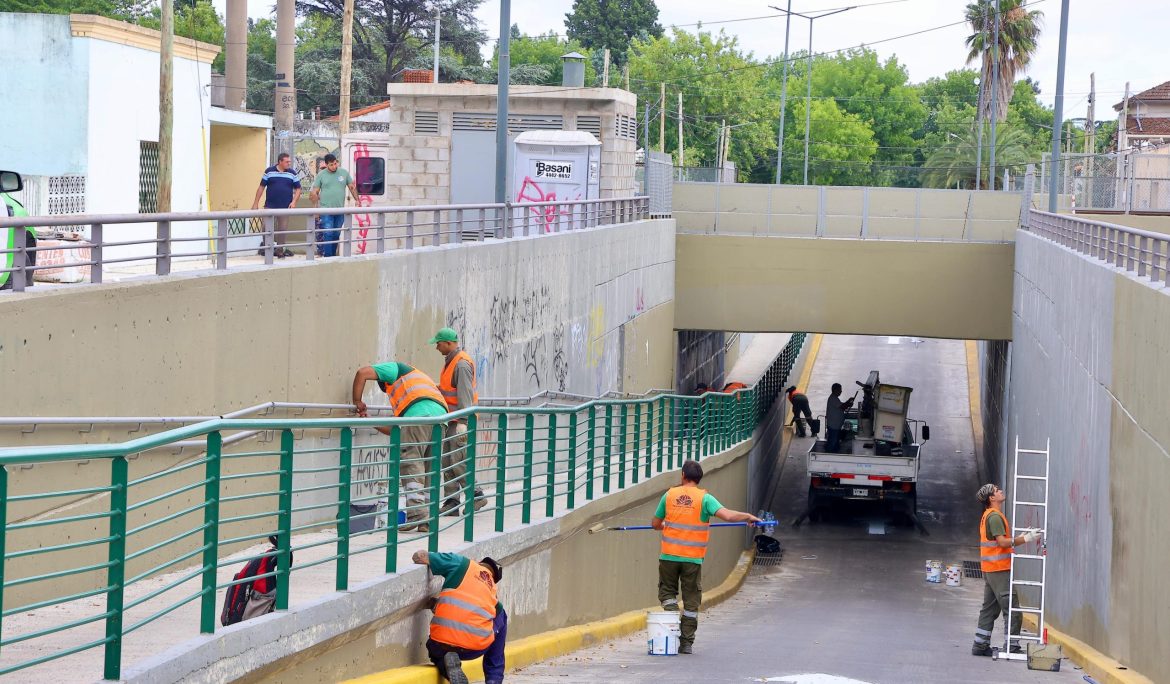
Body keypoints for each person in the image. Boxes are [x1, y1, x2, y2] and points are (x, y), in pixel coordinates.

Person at [651, 459, 762, 654]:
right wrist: (747, 516)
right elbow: (727, 515)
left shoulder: (669, 495)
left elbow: (655, 523)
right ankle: (686, 643)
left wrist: (664, 526)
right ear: (699, 479)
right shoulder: (705, 499)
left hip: (668, 557)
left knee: (667, 594)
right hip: (692, 560)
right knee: (691, 601)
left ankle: (671, 616)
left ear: (683, 476)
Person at [351, 361, 447, 532]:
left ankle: (417, 514)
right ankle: (428, 519)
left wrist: (357, 401)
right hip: (441, 419)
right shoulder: (417, 387)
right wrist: (370, 420)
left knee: (411, 462)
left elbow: (362, 373)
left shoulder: (395, 369)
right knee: (430, 468)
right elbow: (397, 431)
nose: (389, 391)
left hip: (420, 418)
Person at [413, 549, 507, 684]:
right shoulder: (491, 591)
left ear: (479, 562)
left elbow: (419, 557)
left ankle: (447, 667)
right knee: (502, 616)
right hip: (473, 650)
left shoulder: (462, 564)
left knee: (436, 651)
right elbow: (471, 613)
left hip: (440, 645)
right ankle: (494, 680)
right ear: (493, 578)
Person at [972, 484, 1041, 656]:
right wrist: (1025, 539)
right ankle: (1013, 646)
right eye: (996, 490)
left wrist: (1019, 537)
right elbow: (1002, 542)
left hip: (990, 569)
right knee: (1012, 608)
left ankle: (980, 645)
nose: (1000, 490)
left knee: (989, 609)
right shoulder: (994, 517)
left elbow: (1000, 542)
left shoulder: (989, 515)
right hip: (999, 570)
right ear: (991, 498)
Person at [430, 327, 488, 516]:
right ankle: (452, 501)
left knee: (458, 461)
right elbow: (450, 390)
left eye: (438, 343)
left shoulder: (461, 364)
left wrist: (464, 422)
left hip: (460, 422)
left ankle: (476, 495)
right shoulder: (451, 362)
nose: (436, 347)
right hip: (451, 421)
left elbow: (465, 395)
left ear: (448, 343)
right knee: (447, 461)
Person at [251, 153, 302, 258]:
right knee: (265, 227)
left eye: (289, 161)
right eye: (287, 161)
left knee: (282, 229)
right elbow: (261, 187)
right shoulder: (269, 171)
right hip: (269, 206)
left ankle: (280, 250)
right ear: (280, 162)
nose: (289, 163)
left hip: (285, 207)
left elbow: (298, 189)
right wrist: (255, 203)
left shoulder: (292, 173)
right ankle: (266, 248)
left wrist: (294, 202)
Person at [309, 153, 358, 257]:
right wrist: (315, 210)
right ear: (326, 165)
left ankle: (332, 256)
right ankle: (328, 257)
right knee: (328, 233)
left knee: (336, 234)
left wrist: (357, 200)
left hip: (340, 210)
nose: (334, 166)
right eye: (331, 165)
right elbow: (315, 192)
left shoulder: (343, 173)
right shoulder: (321, 175)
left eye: (335, 163)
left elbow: (351, 187)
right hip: (326, 209)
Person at [825, 383, 855, 453]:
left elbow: (842, 406)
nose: (841, 391)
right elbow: (843, 406)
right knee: (832, 443)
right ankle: (828, 455)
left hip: (836, 426)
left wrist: (848, 402)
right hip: (833, 426)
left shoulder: (835, 399)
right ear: (835, 390)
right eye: (840, 390)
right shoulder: (833, 399)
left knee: (835, 443)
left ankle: (834, 454)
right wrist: (848, 403)